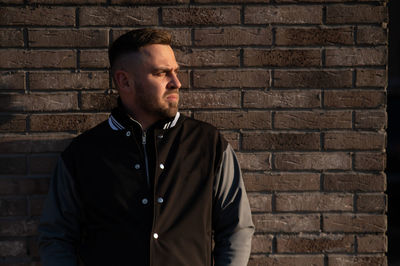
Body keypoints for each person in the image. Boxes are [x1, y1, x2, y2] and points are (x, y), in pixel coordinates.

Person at [38, 28, 254, 266]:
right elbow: (56, 237)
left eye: (175, 72)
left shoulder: (208, 144)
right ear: (125, 81)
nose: (176, 83)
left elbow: (236, 228)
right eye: (162, 73)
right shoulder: (83, 154)